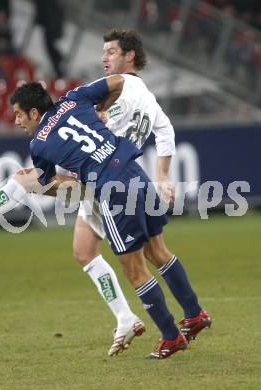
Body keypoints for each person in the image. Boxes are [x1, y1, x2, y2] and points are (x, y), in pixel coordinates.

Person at [0, 74, 196, 359]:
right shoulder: (74, 98)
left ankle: (170, 335)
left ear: (34, 112)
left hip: (110, 189)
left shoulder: (38, 145)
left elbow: (46, 183)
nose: (17, 122)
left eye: (19, 115)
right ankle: (183, 315)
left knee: (134, 267)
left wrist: (68, 179)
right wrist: (101, 109)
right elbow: (119, 80)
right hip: (133, 170)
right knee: (140, 251)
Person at [57, 29, 211, 357]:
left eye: (111, 52)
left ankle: (169, 334)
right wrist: (163, 176)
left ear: (129, 56)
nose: (104, 58)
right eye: (104, 52)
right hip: (136, 178)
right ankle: (194, 313)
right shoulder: (145, 93)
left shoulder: (121, 91)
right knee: (154, 252)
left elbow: (100, 128)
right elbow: (165, 129)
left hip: (113, 184)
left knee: (132, 266)